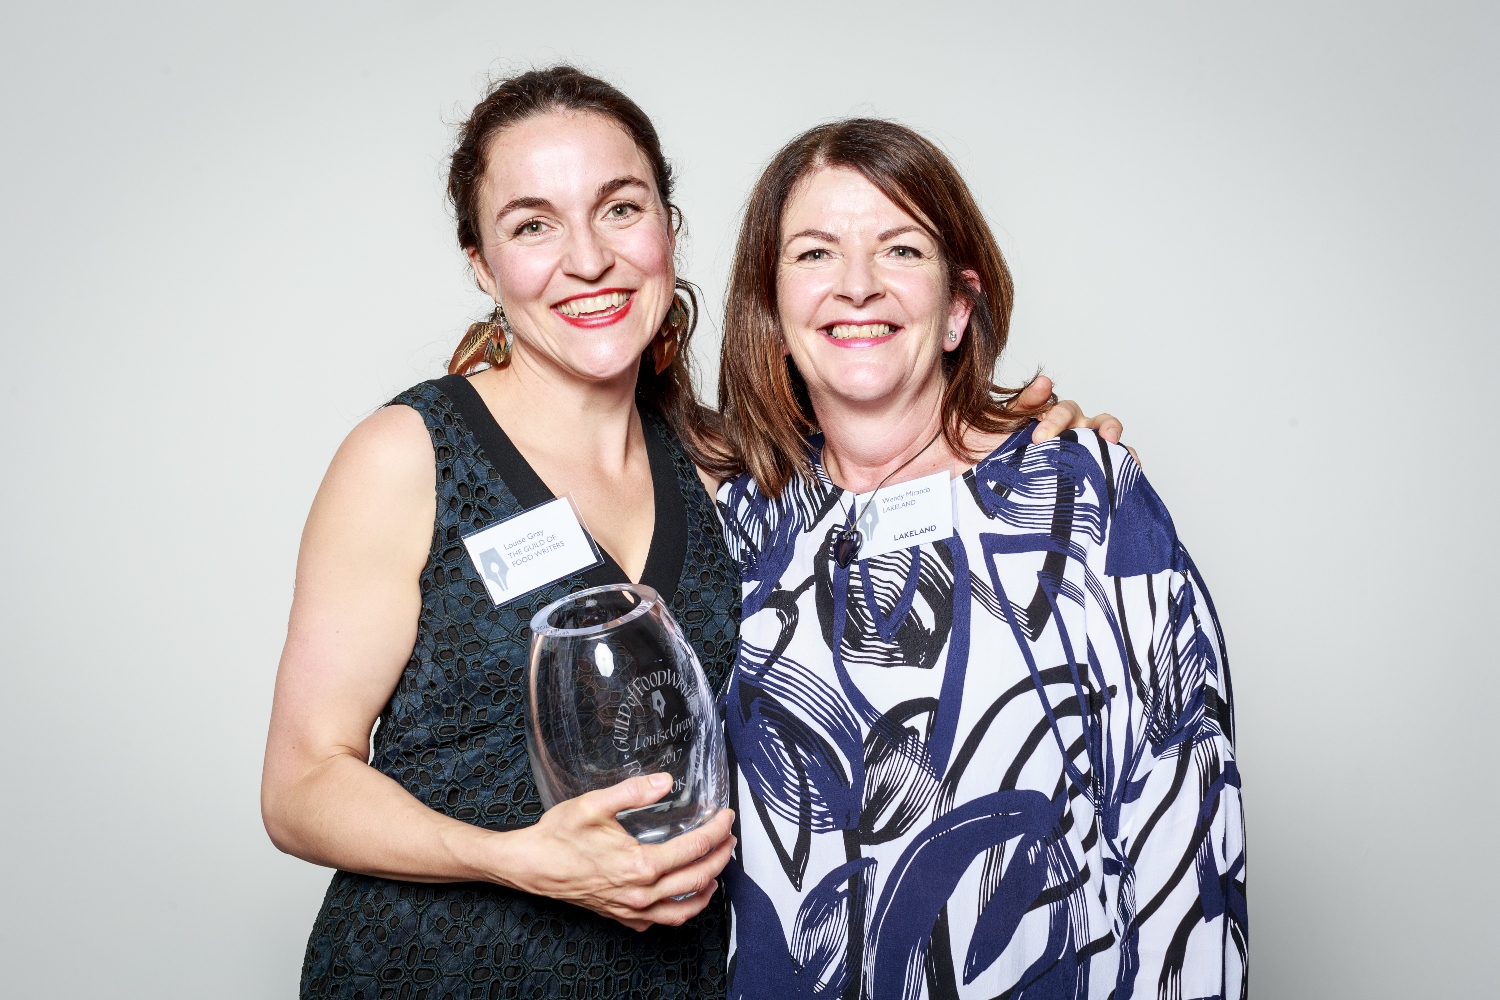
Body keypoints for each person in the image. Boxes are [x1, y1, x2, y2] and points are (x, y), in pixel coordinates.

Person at [260, 67, 1116, 998]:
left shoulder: (723, 472)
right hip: (433, 973)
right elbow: (302, 786)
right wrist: (515, 859)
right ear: (482, 262)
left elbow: (884, 447)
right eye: (533, 225)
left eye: (619, 209)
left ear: (668, 227)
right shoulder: (410, 454)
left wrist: (1005, 435)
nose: (587, 259)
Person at [714, 120, 1246, 1000]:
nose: (856, 286)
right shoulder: (743, 521)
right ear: (771, 310)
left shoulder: (1082, 495)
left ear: (959, 305)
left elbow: (1184, 821)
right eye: (814, 254)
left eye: (900, 249)